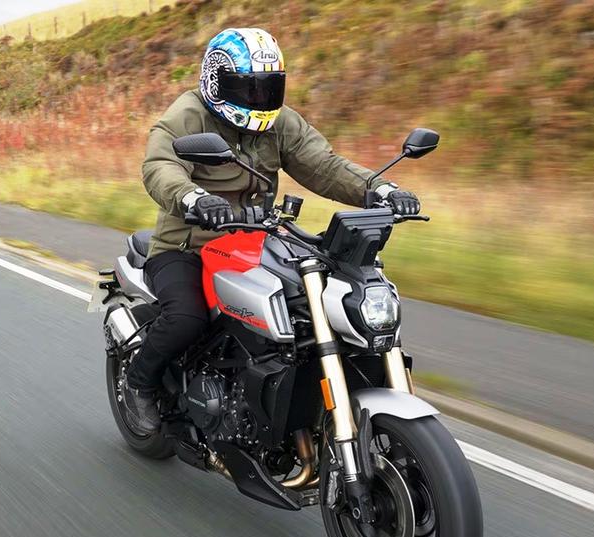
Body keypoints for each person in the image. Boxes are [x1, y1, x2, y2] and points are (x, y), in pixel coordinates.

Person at [122, 27, 421, 432]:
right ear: (216, 81)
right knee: (187, 318)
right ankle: (139, 384)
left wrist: (381, 189)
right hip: (187, 244)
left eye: (268, 88)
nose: (259, 98)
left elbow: (324, 166)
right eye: (247, 88)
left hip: (257, 241)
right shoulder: (186, 116)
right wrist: (193, 198)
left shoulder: (281, 123)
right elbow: (161, 167)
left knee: (308, 308)